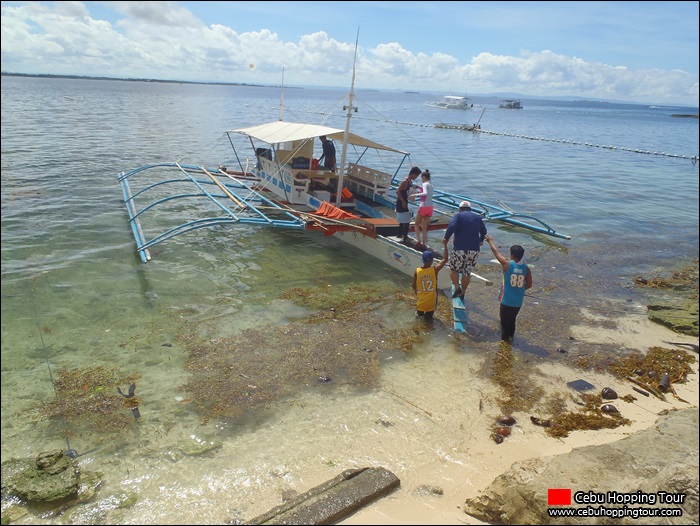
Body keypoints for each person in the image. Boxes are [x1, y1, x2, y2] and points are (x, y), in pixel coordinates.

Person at [485, 234, 532, 343]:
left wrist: (490, 241)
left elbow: (496, 252)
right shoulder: (526, 269)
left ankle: (505, 342)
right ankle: (511, 338)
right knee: (512, 320)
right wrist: (519, 290)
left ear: (512, 255)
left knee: (504, 323)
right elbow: (529, 284)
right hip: (518, 302)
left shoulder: (507, 264)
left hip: (506, 301)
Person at [442, 200, 487, 300]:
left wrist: (446, 238)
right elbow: (484, 231)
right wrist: (481, 239)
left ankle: (457, 288)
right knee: (467, 272)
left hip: (460, 249)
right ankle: (463, 292)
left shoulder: (458, 216)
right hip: (474, 250)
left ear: (459, 209)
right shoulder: (477, 217)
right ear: (470, 209)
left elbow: (452, 226)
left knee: (453, 269)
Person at [412, 241, 449, 320]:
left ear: (423, 260)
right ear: (432, 261)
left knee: (418, 318)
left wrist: (417, 293)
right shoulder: (434, 270)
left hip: (421, 301)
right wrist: (445, 245)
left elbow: (413, 286)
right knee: (428, 320)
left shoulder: (417, 271)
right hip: (431, 302)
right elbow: (445, 259)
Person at [395, 166, 421, 242]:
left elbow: (409, 188)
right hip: (401, 201)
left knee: (403, 219)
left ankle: (400, 234)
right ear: (413, 174)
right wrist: (403, 201)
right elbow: (398, 191)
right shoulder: (405, 181)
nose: (416, 177)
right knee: (406, 220)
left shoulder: (410, 182)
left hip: (404, 200)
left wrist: (414, 188)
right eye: (416, 175)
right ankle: (405, 236)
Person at [413, 169, 434, 249]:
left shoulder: (425, 184)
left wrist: (415, 195)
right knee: (424, 226)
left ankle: (418, 241)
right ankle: (424, 244)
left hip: (423, 206)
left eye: (421, 178)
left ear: (424, 177)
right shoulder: (431, 185)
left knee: (416, 224)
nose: (421, 180)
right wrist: (418, 187)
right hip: (430, 207)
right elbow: (428, 194)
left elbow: (424, 193)